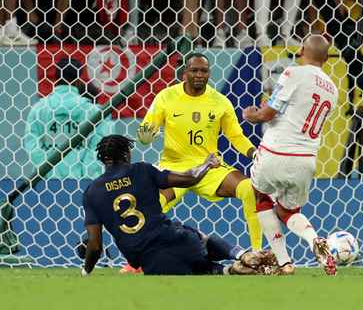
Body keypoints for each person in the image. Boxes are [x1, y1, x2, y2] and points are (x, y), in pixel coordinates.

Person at [134, 52, 262, 272]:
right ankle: (136, 262)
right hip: (174, 168)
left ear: (209, 73)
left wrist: (253, 152)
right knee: (149, 205)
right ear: (185, 73)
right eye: (194, 70)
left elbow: (236, 136)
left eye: (204, 71)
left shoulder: (219, 101)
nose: (199, 75)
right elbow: (145, 136)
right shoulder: (166, 97)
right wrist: (146, 134)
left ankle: (258, 255)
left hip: (209, 167)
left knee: (249, 189)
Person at [82, 135, 276, 276]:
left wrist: (86, 270)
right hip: (178, 239)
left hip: (151, 262)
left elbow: (95, 245)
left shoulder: (92, 192)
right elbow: (189, 179)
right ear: (126, 154)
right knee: (199, 238)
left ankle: (230, 270)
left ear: (102, 158)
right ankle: (242, 255)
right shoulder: (142, 170)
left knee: (202, 271)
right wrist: (207, 164)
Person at [242, 35, 338, 276]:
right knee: (287, 212)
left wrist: (252, 115)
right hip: (306, 159)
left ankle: (285, 263)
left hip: (276, 150)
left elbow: (269, 114)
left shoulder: (293, 73)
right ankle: (314, 239)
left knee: (261, 197)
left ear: (302, 50)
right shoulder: (333, 89)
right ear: (326, 58)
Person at [23, 57, 113, 179]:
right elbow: (98, 147)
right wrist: (85, 175)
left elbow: (31, 143)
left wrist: (47, 172)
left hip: (46, 182)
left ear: (56, 77)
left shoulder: (39, 109)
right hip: (85, 183)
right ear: (79, 79)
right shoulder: (92, 111)